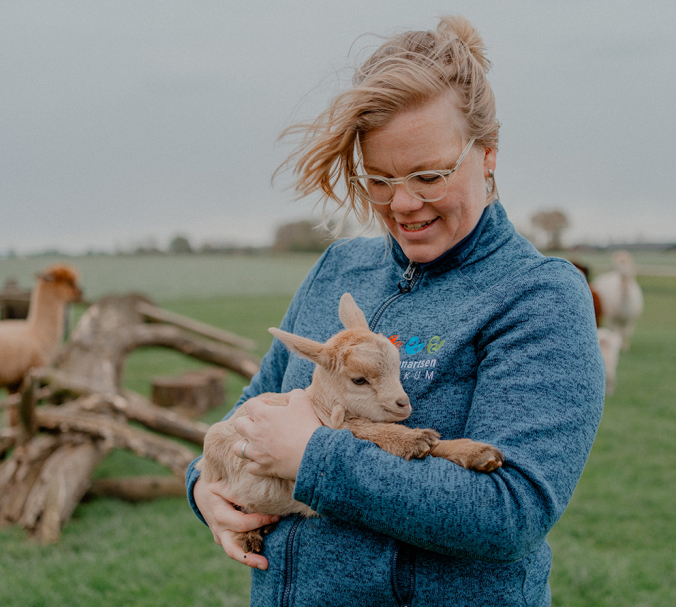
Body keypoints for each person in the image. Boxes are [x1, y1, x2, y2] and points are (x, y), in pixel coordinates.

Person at [186, 15, 604, 607]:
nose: (403, 203)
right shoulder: (339, 269)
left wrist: (314, 457)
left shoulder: (539, 296)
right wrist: (204, 488)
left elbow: (511, 513)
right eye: (378, 180)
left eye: (428, 175)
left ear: (487, 154)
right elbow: (253, 410)